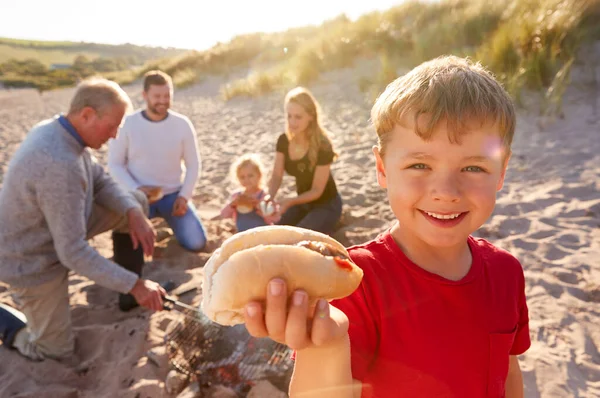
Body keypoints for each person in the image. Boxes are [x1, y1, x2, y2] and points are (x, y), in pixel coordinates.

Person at [243, 56, 531, 397]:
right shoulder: (353, 282)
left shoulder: (506, 272)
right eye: (420, 164)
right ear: (382, 169)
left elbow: (508, 371)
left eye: (473, 168)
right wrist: (324, 345)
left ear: (502, 170)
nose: (446, 193)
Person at [0, 78, 166, 362]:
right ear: (86, 114)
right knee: (54, 352)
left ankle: (128, 296)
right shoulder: (58, 162)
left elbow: (100, 180)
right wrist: (136, 285)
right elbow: (72, 253)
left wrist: (132, 212)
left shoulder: (63, 131)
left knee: (135, 201)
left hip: (58, 228)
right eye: (112, 126)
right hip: (30, 260)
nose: (114, 135)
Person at [108, 70, 207, 252]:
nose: (162, 100)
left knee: (197, 243)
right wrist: (136, 189)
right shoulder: (127, 124)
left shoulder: (182, 124)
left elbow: (193, 164)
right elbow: (115, 164)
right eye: (157, 96)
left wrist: (184, 196)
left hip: (173, 195)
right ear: (145, 95)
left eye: (167, 95)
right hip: (138, 195)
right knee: (129, 247)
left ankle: (171, 227)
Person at [266, 87, 343, 235]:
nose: (292, 122)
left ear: (311, 116)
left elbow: (317, 191)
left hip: (326, 205)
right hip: (302, 203)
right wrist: (270, 196)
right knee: (274, 232)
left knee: (297, 239)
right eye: (289, 116)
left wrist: (289, 201)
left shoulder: (323, 144)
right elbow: (276, 175)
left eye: (298, 117)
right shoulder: (283, 140)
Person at [217, 154, 277, 232]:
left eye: (250, 176)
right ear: (237, 178)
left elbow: (274, 218)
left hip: (262, 234)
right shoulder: (237, 196)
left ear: (259, 175)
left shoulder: (264, 195)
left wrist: (259, 207)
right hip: (242, 234)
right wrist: (232, 204)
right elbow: (224, 215)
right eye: (242, 177)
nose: (246, 180)